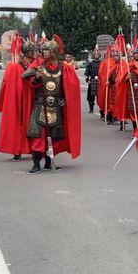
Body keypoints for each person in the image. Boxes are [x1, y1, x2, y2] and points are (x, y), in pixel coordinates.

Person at [25, 36, 82, 174]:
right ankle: (36, 163)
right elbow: (28, 81)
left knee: (54, 136)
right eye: (43, 50)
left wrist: (64, 99)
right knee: (38, 136)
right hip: (40, 105)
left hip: (55, 106)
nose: (43, 53)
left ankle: (49, 162)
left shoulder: (64, 68)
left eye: (46, 50)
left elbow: (70, 86)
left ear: (53, 52)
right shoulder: (38, 66)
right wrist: (36, 78)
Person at [0, 37, 35, 161]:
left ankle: (34, 149)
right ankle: (17, 149)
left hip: (33, 99)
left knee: (34, 124)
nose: (36, 53)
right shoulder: (14, 68)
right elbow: (8, 87)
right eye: (34, 51)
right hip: (19, 101)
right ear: (29, 52)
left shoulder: (35, 65)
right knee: (18, 123)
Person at [98, 50, 120, 124]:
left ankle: (117, 117)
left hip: (119, 86)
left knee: (118, 102)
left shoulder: (122, 64)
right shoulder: (107, 63)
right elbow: (103, 74)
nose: (116, 57)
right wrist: (107, 80)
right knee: (110, 102)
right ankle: (109, 118)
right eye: (115, 56)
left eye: (117, 56)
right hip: (111, 86)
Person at [85, 50, 102, 114]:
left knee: (100, 95)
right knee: (91, 95)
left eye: (97, 54)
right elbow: (87, 72)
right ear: (93, 55)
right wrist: (88, 79)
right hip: (92, 80)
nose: (96, 55)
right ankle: (91, 108)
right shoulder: (90, 63)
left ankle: (101, 110)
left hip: (100, 80)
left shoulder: (102, 63)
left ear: (99, 55)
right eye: (95, 54)